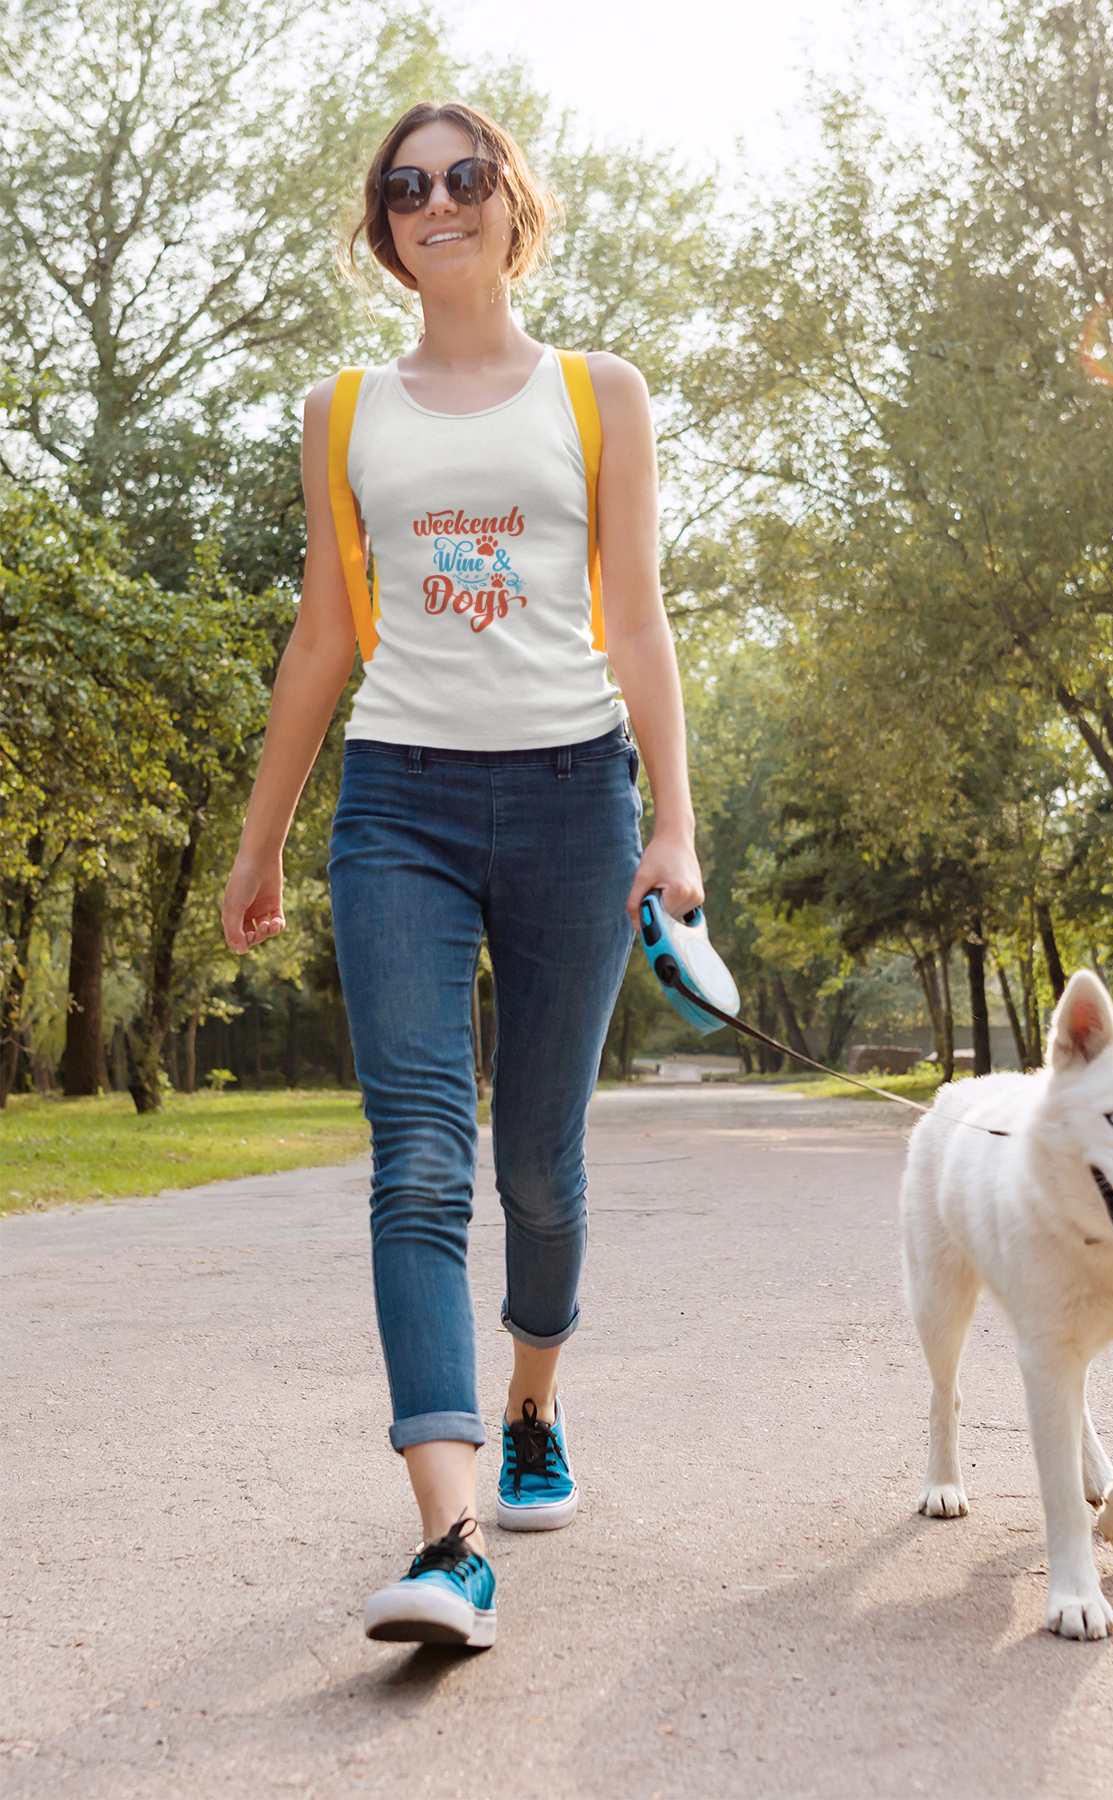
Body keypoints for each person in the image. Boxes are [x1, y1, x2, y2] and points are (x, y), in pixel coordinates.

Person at [221, 99, 702, 1650]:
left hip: (574, 803)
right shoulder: (344, 407)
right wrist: (264, 835)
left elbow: (636, 621)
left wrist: (672, 825)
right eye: (406, 186)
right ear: (386, 227)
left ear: (514, 204)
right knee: (419, 1154)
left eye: (465, 176)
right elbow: (326, 636)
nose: (438, 201)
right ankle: (448, 1540)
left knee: (539, 1169)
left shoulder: (595, 392)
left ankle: (535, 1408)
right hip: (401, 809)